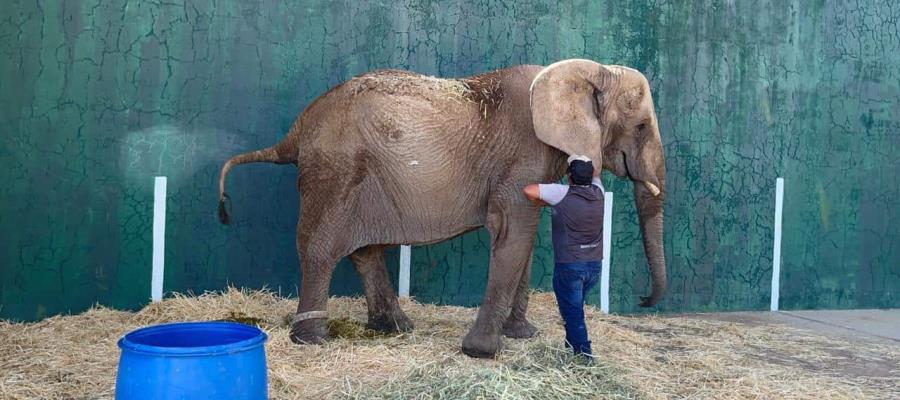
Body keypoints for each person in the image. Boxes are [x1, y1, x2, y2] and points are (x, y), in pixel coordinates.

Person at [523, 154, 604, 359]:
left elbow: (528, 190)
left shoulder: (561, 193)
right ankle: (571, 349)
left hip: (570, 267)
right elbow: (596, 173)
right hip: (594, 266)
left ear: (569, 176)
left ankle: (584, 359)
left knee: (574, 315)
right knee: (573, 311)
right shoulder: (599, 191)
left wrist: (545, 202)